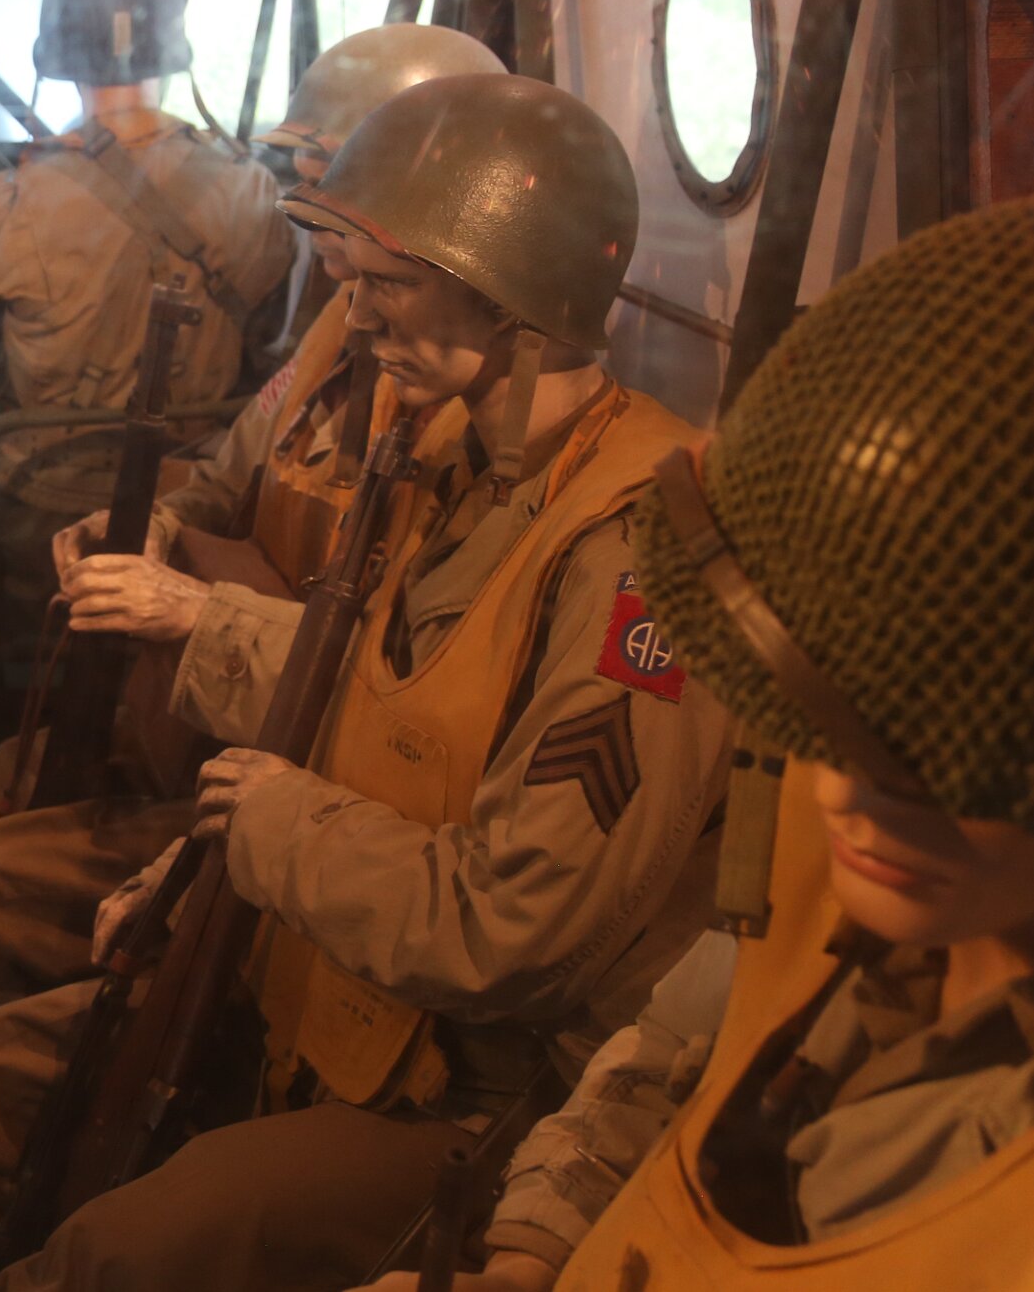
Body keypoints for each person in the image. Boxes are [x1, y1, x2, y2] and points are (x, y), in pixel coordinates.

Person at [0, 73, 734, 1292]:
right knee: (2, 1077)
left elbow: (510, 933)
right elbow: (375, 719)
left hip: (476, 1090)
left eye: (390, 284)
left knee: (114, 1256)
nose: (355, 314)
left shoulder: (641, 553)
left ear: (513, 294)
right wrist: (209, 850)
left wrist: (263, 828)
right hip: (335, 978)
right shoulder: (452, 460)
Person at [0, 24, 507, 1129]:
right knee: (11, 778)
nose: (307, 209)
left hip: (319, 790)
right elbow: (231, 467)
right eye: (309, 176)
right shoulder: (324, 321)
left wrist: (192, 607)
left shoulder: (463, 429)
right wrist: (162, 520)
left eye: (325, 175)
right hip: (244, 727)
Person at [361, 198, 1034, 1292]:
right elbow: (675, 1049)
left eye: (944, 768)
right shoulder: (839, 819)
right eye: (838, 734)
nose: (848, 799)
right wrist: (525, 1260)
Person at [0, 0, 294, 575]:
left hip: (48, 508)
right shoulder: (253, 188)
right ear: (173, 49)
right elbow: (268, 342)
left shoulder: (8, 201)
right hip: (194, 497)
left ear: (56, 59)